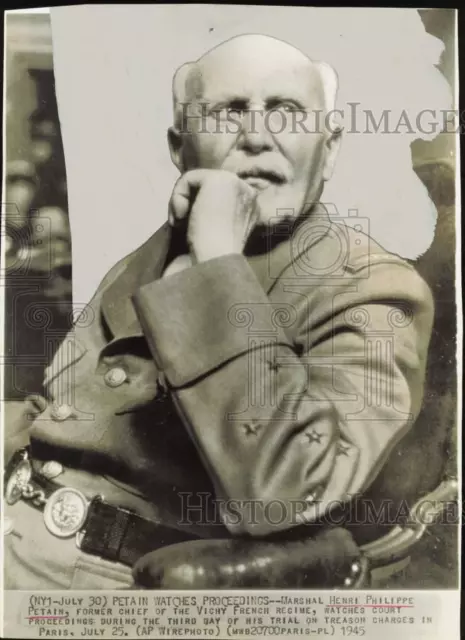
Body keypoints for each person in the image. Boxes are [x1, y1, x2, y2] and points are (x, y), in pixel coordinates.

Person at [4, 34, 434, 590]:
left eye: (286, 112)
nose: (256, 136)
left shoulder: (372, 285)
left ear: (329, 149)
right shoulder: (155, 249)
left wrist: (217, 263)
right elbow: (79, 410)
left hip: (120, 585)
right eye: (228, 111)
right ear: (179, 147)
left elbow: (289, 490)